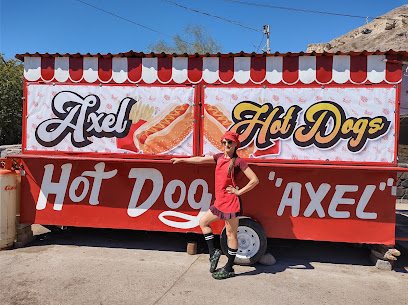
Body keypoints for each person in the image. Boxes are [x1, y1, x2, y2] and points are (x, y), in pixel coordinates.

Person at [171, 131, 259, 279]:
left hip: (231, 203)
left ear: (235, 144)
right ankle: (213, 253)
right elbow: (199, 160)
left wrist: (238, 192)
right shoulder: (219, 157)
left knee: (231, 235)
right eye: (224, 142)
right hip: (220, 202)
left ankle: (229, 267)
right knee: (203, 222)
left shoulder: (238, 162)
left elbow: (254, 180)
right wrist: (182, 160)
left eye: (229, 143)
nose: (226, 145)